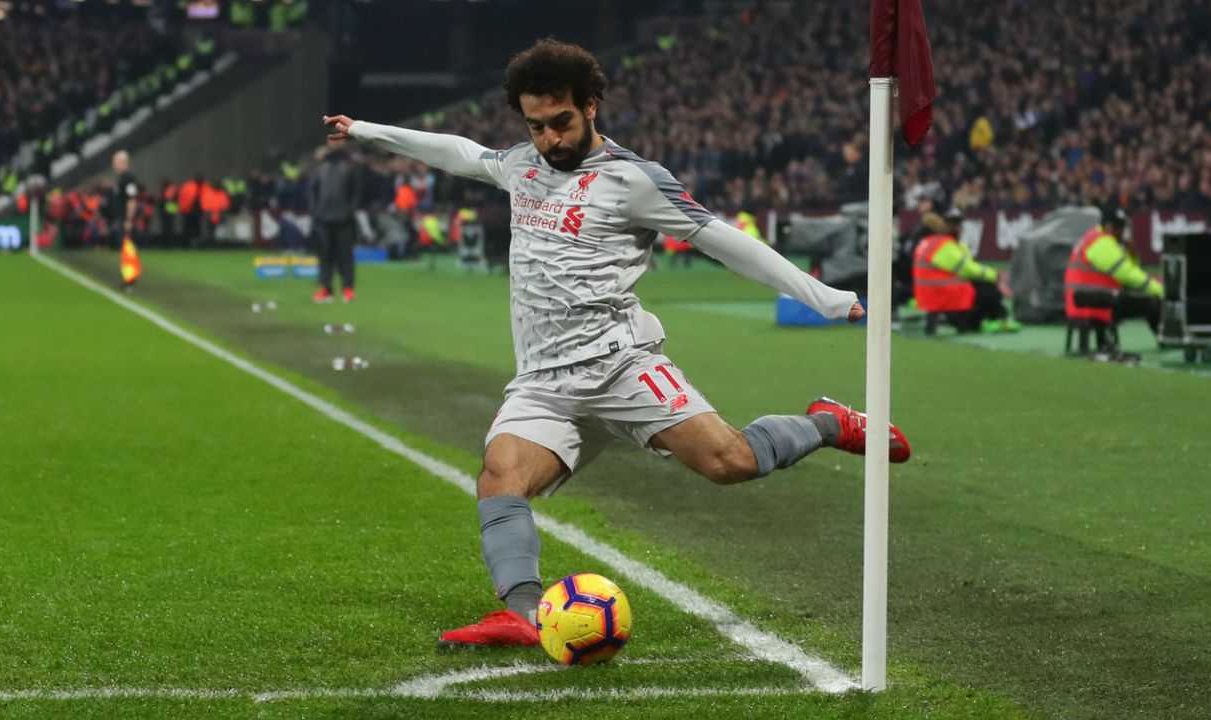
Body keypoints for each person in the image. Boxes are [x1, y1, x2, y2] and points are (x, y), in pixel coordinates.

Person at [323, 38, 911, 650]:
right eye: (536, 126)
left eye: (561, 122)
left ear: (592, 105)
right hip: (544, 382)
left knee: (730, 464)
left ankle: (823, 423)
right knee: (500, 480)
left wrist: (827, 298)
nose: (549, 138)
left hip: (620, 365)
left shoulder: (633, 181)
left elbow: (724, 241)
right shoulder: (521, 165)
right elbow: (458, 152)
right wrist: (364, 128)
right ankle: (525, 612)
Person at [912, 208, 1020, 333]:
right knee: (989, 290)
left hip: (930, 293)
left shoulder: (930, 242)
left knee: (982, 285)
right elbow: (967, 269)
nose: (959, 228)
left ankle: (990, 319)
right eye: (956, 224)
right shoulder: (944, 245)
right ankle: (997, 319)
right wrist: (995, 275)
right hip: (945, 295)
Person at [1064, 207, 1162, 338]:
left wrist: (1131, 253)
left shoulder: (1094, 237)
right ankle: (1165, 338)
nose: (1123, 232)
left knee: (1142, 298)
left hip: (1087, 300)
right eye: (1120, 227)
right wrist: (1160, 290)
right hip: (1095, 304)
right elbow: (1128, 275)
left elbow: (1129, 269)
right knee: (1153, 303)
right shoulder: (1103, 243)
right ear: (1109, 226)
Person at [308, 137, 362, 303]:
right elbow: (312, 189)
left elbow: (357, 191)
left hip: (343, 217)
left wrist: (350, 210)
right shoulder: (321, 166)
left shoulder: (351, 165)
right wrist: (315, 210)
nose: (335, 143)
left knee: (345, 254)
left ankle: (347, 289)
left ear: (344, 142)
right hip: (323, 216)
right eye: (332, 140)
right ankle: (326, 288)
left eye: (338, 140)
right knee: (325, 254)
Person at [108, 150, 142, 289]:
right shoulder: (121, 178)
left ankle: (130, 280)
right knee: (125, 249)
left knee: (128, 249)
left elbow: (132, 199)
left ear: (123, 162)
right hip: (121, 218)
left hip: (125, 219)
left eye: (115, 162)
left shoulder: (128, 179)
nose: (114, 165)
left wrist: (129, 219)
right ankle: (127, 277)